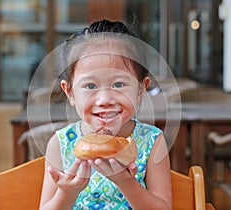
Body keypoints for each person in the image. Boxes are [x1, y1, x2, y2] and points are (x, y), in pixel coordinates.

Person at [39, 19, 172, 210]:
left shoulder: (152, 141)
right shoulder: (61, 144)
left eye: (119, 85)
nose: (105, 99)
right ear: (70, 92)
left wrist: (126, 182)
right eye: (90, 86)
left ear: (141, 89)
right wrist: (67, 193)